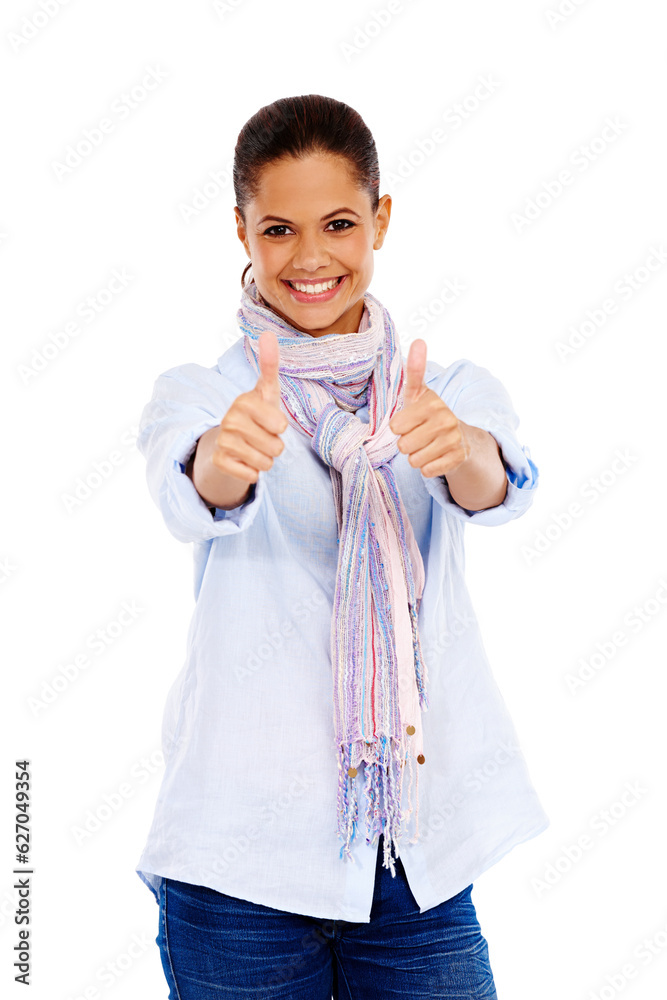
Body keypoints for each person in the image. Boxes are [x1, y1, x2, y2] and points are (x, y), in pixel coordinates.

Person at [135, 93, 550, 999]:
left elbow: (497, 486)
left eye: (338, 223)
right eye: (278, 228)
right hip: (236, 867)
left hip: (410, 860)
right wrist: (224, 462)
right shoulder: (205, 394)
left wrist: (462, 453)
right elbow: (190, 486)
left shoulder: (443, 390)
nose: (311, 257)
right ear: (239, 232)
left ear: (381, 220)